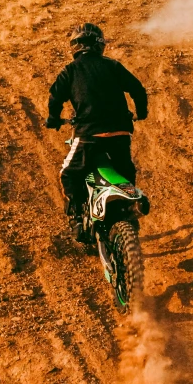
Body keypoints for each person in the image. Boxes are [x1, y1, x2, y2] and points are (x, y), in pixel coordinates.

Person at [45, 23, 148, 232]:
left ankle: (75, 218)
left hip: (88, 134)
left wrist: (53, 118)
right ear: (100, 44)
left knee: (68, 173)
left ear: (74, 46)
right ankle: (128, 209)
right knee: (125, 169)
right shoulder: (113, 66)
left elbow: (55, 98)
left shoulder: (70, 70)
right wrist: (141, 113)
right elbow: (137, 89)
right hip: (120, 132)